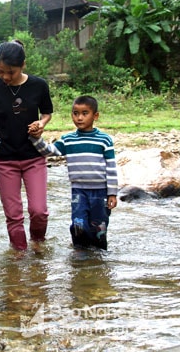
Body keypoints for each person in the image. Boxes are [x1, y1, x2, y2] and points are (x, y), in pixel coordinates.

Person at [0, 39, 53, 251]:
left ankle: (38, 244)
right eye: (1, 71)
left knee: (39, 211)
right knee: (13, 215)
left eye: (10, 72)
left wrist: (41, 123)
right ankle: (18, 257)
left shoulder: (39, 85)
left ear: (23, 65)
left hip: (34, 156)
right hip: (4, 159)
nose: (5, 77)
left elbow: (47, 113)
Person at [28, 95, 118, 250]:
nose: (79, 118)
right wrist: (36, 138)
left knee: (99, 228)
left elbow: (111, 167)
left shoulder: (104, 140)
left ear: (95, 116)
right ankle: (79, 254)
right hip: (79, 191)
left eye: (84, 113)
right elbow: (50, 151)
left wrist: (112, 193)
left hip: (100, 192)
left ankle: (99, 259)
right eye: (75, 113)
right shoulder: (68, 139)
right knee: (78, 225)